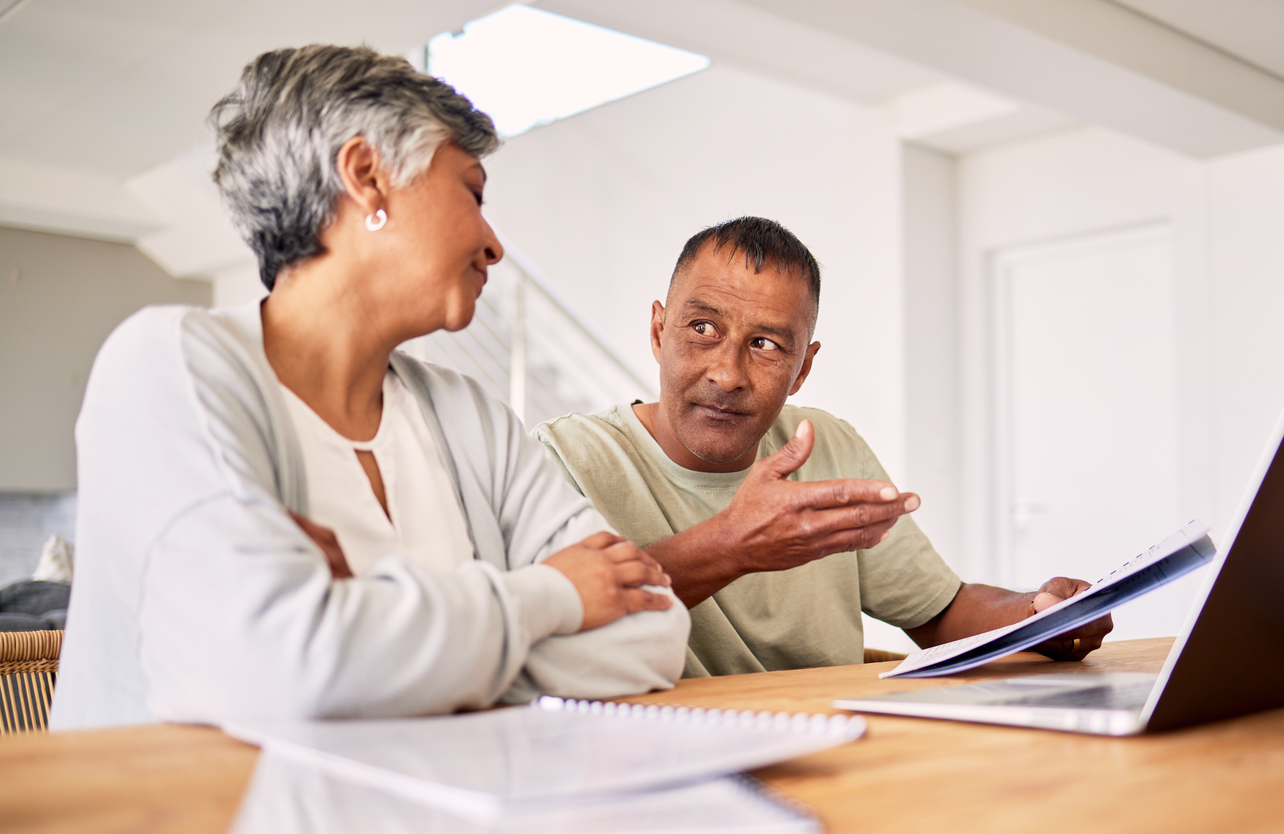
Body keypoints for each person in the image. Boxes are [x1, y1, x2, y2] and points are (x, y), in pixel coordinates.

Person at [50, 45, 688, 730]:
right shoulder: (166, 364)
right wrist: (554, 595)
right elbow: (280, 667)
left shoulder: (471, 417)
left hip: (440, 822)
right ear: (366, 176)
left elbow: (653, 632)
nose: (494, 242)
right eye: (472, 192)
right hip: (185, 827)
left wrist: (367, 631)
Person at [533, 217, 1110, 677]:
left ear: (803, 369)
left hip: (831, 754)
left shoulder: (827, 444)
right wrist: (734, 543)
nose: (728, 373)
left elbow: (940, 613)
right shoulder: (565, 457)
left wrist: (1037, 615)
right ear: (660, 331)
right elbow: (550, 625)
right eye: (703, 329)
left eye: (764, 344)